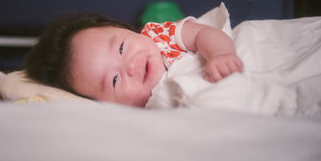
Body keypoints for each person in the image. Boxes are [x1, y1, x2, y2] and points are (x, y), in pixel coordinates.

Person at [25, 13, 243, 107]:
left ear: (124, 29)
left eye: (121, 47)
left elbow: (203, 34)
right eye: (114, 80)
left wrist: (220, 54)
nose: (130, 66)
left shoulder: (161, 38)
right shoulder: (144, 110)